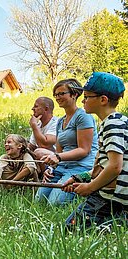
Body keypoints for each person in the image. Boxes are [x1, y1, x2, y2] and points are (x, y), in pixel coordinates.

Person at [61, 72, 127, 230]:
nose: (82, 100)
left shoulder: (112, 124)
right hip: (112, 196)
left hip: (109, 198)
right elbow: (105, 165)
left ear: (103, 100)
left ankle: (117, 222)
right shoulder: (119, 121)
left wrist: (90, 188)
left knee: (70, 229)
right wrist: (80, 177)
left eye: (87, 96)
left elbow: (115, 167)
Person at [35, 78, 98, 206]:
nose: (58, 97)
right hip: (63, 166)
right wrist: (51, 168)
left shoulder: (83, 116)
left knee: (54, 203)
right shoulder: (60, 122)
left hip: (81, 166)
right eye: (56, 94)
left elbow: (84, 150)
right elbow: (59, 150)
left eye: (62, 93)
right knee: (39, 200)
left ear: (74, 94)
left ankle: (83, 190)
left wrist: (57, 157)